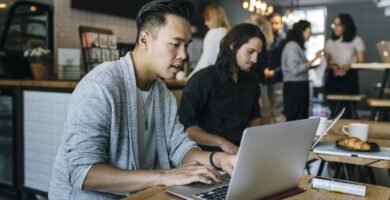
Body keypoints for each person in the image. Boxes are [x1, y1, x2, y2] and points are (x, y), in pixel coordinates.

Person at [48, 1, 236, 199]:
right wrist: (164, 176)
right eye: (175, 44)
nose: (184, 55)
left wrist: (220, 159)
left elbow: (180, 147)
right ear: (145, 40)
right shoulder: (101, 85)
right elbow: (82, 173)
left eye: (186, 45)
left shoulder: (162, 92)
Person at [178, 23, 264, 154]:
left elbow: (255, 118)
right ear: (233, 45)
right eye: (250, 51)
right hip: (208, 157)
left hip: (241, 153)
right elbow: (187, 128)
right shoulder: (202, 80)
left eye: (258, 53)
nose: (255, 59)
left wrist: (250, 144)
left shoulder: (251, 81)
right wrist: (222, 142)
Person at [246, 13, 286, 124]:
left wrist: (274, 71)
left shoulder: (282, 41)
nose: (274, 26)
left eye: (277, 23)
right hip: (263, 79)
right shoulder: (264, 39)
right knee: (264, 111)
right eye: (272, 23)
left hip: (273, 79)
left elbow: (285, 62)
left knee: (273, 111)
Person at [324, 13, 365, 118]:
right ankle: (333, 132)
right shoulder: (330, 42)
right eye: (334, 24)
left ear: (346, 25)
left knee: (347, 110)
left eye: (339, 25)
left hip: (349, 78)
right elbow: (324, 63)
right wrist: (332, 66)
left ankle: (347, 132)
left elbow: (362, 63)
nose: (336, 28)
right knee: (334, 110)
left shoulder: (356, 40)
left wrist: (349, 66)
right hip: (333, 78)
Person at [282, 20, 322, 121]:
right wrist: (315, 58)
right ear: (302, 31)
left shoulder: (296, 46)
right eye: (309, 30)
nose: (311, 33)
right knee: (296, 118)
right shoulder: (292, 46)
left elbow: (299, 66)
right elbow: (294, 70)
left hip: (298, 86)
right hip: (294, 87)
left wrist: (313, 66)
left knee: (301, 117)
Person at [188, 3, 230, 77]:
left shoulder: (213, 33)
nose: (205, 23)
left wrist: (191, 77)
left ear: (214, 19)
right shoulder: (229, 33)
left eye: (207, 20)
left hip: (212, 77)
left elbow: (206, 60)